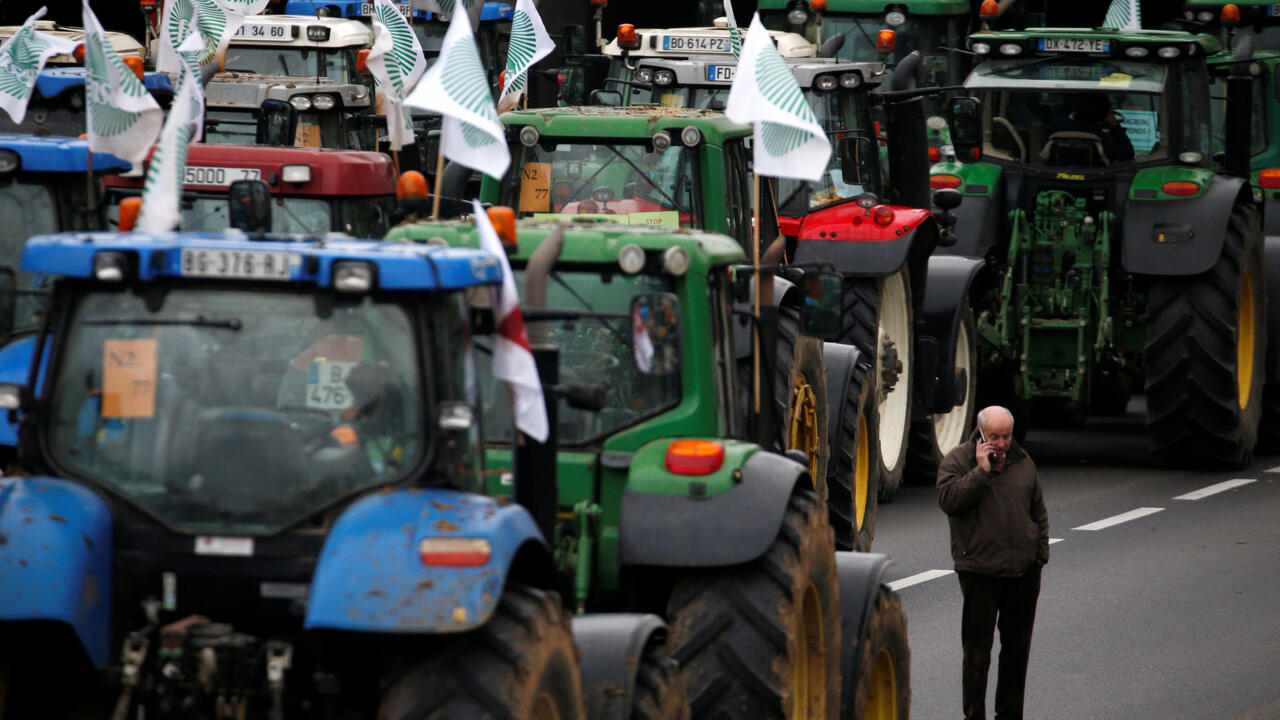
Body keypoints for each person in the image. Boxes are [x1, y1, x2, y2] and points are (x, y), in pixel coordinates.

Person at [937, 406, 1049, 720]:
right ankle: (974, 714)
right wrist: (981, 471)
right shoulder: (957, 461)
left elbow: (1038, 510)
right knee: (977, 652)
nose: (1002, 443)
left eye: (1007, 436)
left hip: (1023, 572)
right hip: (979, 571)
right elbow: (949, 501)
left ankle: (1010, 714)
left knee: (1017, 649)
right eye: (995, 437)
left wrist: (1038, 557)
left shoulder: (1023, 461)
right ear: (981, 433)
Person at [1046, 92, 1135, 162]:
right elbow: (1127, 155)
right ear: (1104, 113)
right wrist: (1115, 127)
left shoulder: (1056, 126)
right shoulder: (1102, 137)